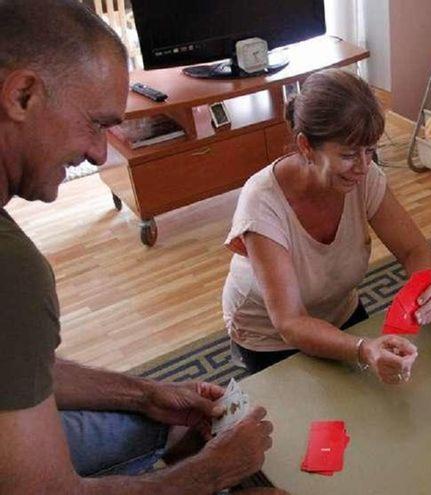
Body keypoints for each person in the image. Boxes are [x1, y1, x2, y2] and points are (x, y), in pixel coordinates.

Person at [0, 1, 278, 493]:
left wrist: (145, 394)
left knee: (168, 422)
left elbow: (22, 365)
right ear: (22, 95)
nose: (99, 153)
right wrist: (213, 472)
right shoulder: (12, 273)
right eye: (96, 123)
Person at [222, 68, 431, 378]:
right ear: (305, 146)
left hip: (337, 308)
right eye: (348, 155)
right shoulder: (261, 203)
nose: (363, 166)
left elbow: (415, 250)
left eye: (370, 150)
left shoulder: (365, 177)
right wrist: (363, 348)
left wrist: (427, 287)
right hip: (270, 336)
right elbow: (290, 323)